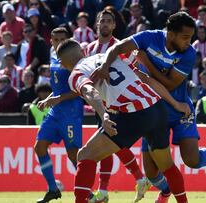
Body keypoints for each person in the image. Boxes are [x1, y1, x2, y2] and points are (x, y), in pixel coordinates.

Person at [92, 11, 206, 203]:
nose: (188, 42)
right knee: (151, 173)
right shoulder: (149, 37)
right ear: (171, 33)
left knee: (191, 160)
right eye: (185, 37)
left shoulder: (189, 53)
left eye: (190, 37)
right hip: (151, 110)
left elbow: (169, 84)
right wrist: (105, 66)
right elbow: (116, 48)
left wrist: (146, 62)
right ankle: (166, 191)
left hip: (179, 109)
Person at [56, 39, 191, 203]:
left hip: (133, 113)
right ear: (82, 51)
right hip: (157, 107)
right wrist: (175, 103)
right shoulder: (107, 56)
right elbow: (145, 78)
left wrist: (103, 114)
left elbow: (89, 91)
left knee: (85, 155)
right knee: (167, 166)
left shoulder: (76, 74)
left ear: (62, 64)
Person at [85, 10, 151, 203]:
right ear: (97, 25)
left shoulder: (122, 47)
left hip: (119, 103)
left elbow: (134, 70)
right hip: (100, 102)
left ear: (114, 26)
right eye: (101, 21)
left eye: (108, 21)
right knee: (111, 143)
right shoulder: (89, 48)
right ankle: (138, 178)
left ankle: (105, 190)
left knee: (109, 142)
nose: (104, 24)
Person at [34, 27, 84, 203]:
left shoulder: (75, 57)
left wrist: (57, 99)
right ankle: (52, 189)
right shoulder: (52, 54)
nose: (58, 43)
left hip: (71, 112)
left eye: (62, 39)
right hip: (56, 111)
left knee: (73, 156)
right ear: (51, 41)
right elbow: (58, 86)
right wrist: (48, 99)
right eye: (55, 40)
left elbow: (81, 88)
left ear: (68, 40)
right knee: (39, 147)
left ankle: (88, 194)